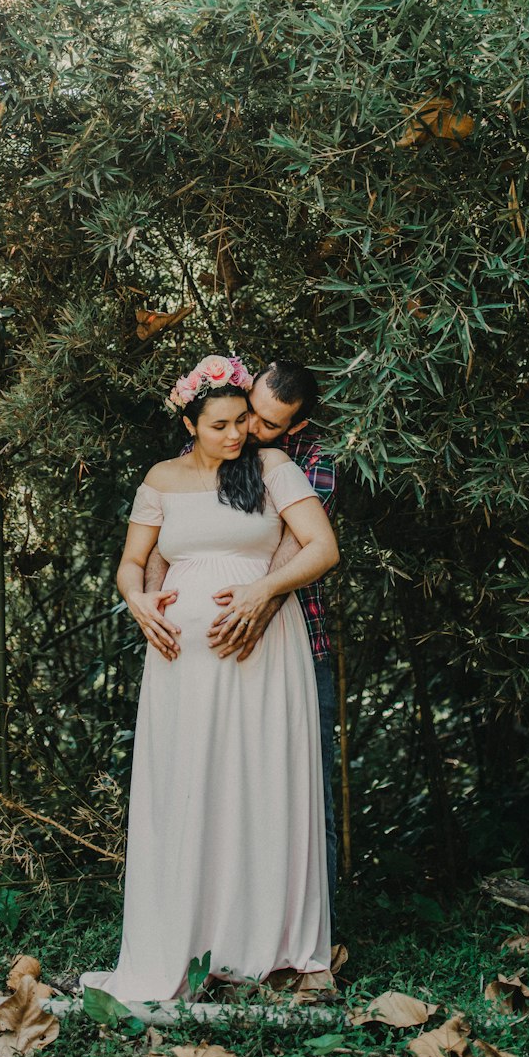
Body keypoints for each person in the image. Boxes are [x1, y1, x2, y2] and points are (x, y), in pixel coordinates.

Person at [81, 353, 339, 1002]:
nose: (239, 434)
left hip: (263, 652)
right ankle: (185, 943)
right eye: (225, 423)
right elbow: (132, 565)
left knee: (259, 786)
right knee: (189, 789)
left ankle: (266, 949)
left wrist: (261, 595)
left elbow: (321, 547)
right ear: (193, 421)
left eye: (247, 423)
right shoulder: (161, 478)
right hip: (179, 663)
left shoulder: (274, 466)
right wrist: (138, 600)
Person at [142, 360, 340, 924]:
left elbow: (298, 547)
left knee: (297, 797)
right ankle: (209, 924)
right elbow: (165, 541)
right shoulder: (213, 443)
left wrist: (257, 604)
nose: (248, 430)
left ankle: (302, 936)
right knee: (206, 792)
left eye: (267, 425)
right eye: (247, 413)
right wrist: (156, 608)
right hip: (198, 662)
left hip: (291, 648)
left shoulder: (307, 464)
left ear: (294, 429)